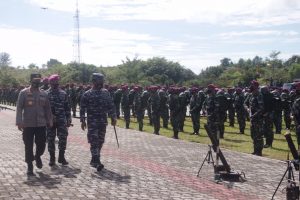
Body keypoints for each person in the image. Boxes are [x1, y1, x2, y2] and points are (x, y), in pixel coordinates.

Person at [16, 73, 53, 176]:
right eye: (35, 82)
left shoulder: (44, 94)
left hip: (41, 124)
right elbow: (19, 108)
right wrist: (19, 122)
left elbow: (47, 108)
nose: (37, 83)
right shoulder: (23, 93)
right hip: (28, 124)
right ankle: (30, 166)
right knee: (28, 145)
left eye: (38, 82)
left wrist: (49, 120)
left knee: (41, 144)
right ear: (31, 81)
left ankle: (37, 156)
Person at [80, 73, 117, 171]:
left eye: (101, 81)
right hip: (92, 122)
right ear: (93, 81)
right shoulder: (87, 94)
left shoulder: (106, 92)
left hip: (102, 122)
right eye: (98, 81)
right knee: (94, 142)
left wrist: (113, 117)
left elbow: (110, 105)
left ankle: (94, 159)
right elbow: (82, 108)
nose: (100, 83)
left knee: (100, 141)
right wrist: (82, 120)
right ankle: (97, 161)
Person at [46, 74, 71, 166]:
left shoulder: (63, 93)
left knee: (63, 138)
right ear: (50, 83)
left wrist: (69, 119)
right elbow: (43, 108)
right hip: (50, 121)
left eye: (56, 81)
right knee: (51, 139)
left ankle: (61, 157)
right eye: (53, 82)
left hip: (61, 120)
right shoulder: (46, 94)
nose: (55, 83)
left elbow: (67, 107)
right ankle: (52, 158)